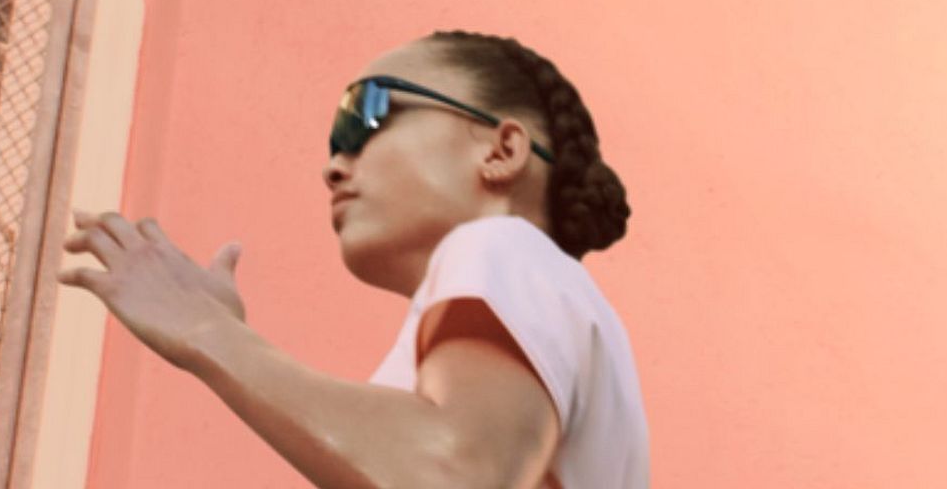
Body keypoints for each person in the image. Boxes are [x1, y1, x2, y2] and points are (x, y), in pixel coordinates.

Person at [61, 30, 648, 487]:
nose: (334, 165)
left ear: (502, 150)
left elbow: (453, 473)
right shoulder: (547, 292)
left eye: (366, 114)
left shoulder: (500, 244)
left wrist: (208, 333)